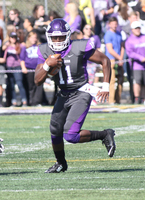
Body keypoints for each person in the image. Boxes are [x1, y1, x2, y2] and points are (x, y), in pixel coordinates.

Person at [34, 19, 116, 173]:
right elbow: (38, 81)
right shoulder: (45, 50)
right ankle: (60, 163)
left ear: (68, 35)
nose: (57, 41)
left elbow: (105, 60)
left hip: (81, 92)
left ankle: (105, 134)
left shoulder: (78, 46)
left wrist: (105, 86)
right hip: (63, 94)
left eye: (61, 37)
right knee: (55, 130)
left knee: (70, 135)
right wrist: (47, 65)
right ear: (48, 37)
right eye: (54, 37)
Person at [125, 21, 145, 104]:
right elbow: (130, 53)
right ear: (132, 29)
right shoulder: (129, 40)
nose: (137, 30)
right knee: (137, 82)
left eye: (138, 28)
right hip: (137, 65)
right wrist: (140, 58)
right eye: (136, 28)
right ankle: (137, 98)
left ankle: (142, 98)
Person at [20, 31, 44, 106]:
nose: (34, 39)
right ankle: (30, 101)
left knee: (39, 86)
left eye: (35, 38)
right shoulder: (25, 47)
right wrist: (23, 68)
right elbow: (22, 59)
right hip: (29, 69)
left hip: (38, 69)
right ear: (29, 38)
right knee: (31, 86)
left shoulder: (39, 46)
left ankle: (37, 101)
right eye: (33, 37)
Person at [104, 17, 124, 104]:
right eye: (112, 24)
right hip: (111, 60)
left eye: (116, 24)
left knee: (120, 80)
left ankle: (118, 99)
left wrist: (121, 58)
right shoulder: (108, 34)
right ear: (109, 24)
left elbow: (122, 46)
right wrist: (119, 58)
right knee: (111, 80)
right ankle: (111, 100)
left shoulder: (119, 34)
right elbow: (110, 49)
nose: (114, 25)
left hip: (119, 59)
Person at [3, 32, 27, 107]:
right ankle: (14, 101)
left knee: (19, 83)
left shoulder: (20, 46)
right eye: (12, 37)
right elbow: (3, 50)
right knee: (11, 85)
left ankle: (24, 101)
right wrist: (6, 45)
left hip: (17, 66)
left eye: (14, 37)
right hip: (9, 67)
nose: (13, 39)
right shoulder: (7, 46)